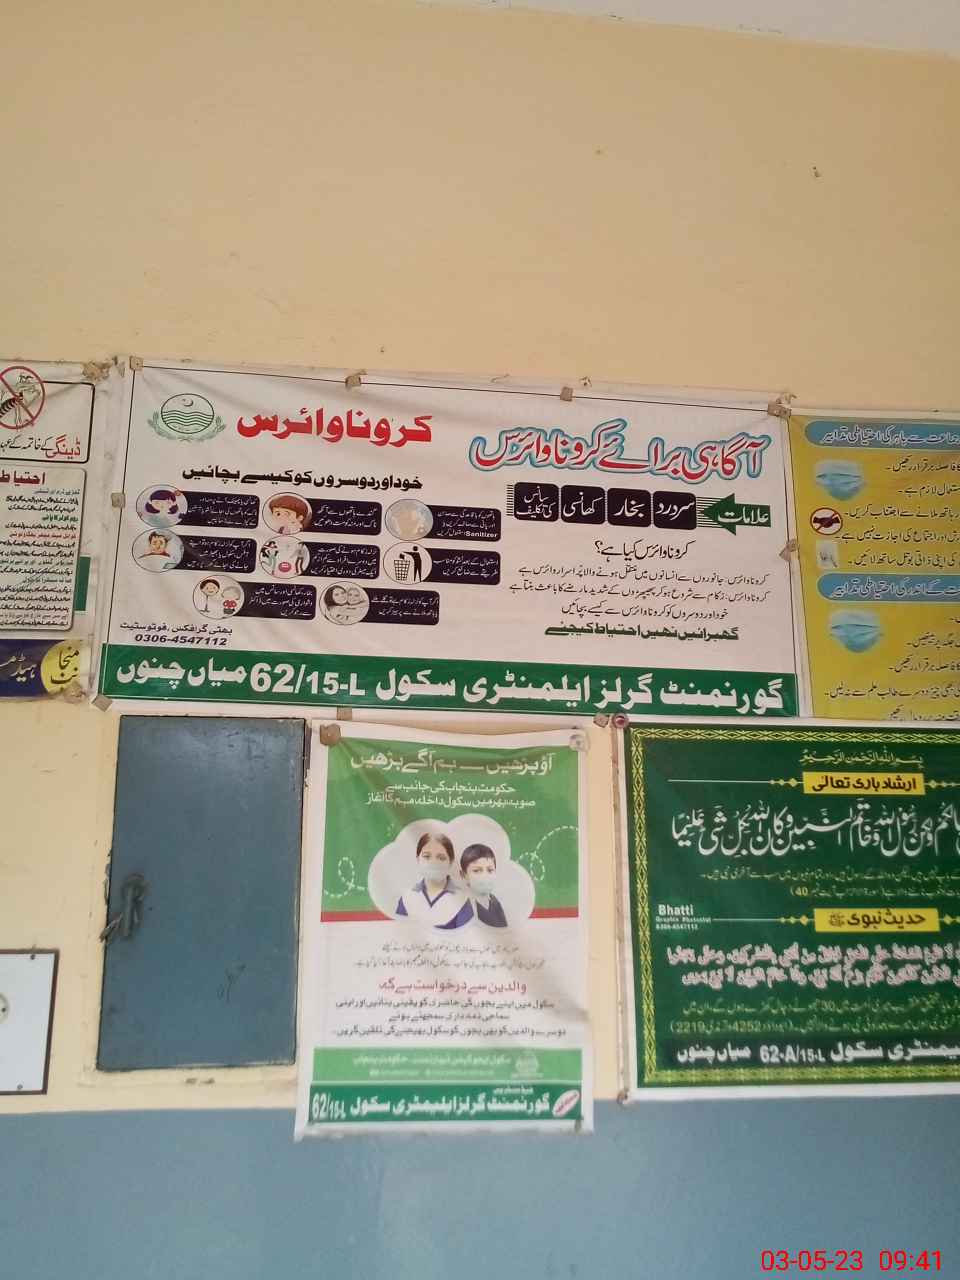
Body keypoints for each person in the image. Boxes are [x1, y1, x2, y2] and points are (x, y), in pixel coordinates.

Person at [396, 833, 473, 929]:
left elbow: (467, 936)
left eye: (441, 858)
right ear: (418, 859)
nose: (433, 862)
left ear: (450, 862)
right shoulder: (407, 898)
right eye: (426, 856)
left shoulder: (462, 900)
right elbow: (399, 934)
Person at [460, 843, 508, 928]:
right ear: (463, 875)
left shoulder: (494, 902)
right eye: (476, 871)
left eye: (490, 870)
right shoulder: (463, 908)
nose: (485, 876)